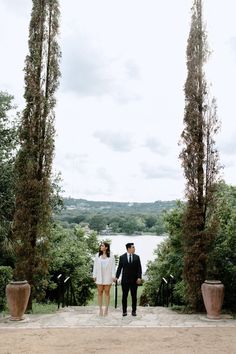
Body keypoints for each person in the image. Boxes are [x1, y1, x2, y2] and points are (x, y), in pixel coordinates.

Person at [115, 242, 142, 317]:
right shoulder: (122, 257)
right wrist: (116, 277)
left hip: (134, 280)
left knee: (134, 297)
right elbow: (119, 268)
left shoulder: (137, 257)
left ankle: (134, 311)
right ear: (129, 248)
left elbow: (139, 268)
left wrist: (139, 277)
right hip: (125, 280)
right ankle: (124, 311)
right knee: (124, 296)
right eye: (133, 247)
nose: (134, 249)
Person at [93, 242, 116, 316]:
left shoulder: (111, 256)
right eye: (101, 245)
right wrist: (94, 275)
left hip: (108, 277)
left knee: (107, 292)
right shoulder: (97, 255)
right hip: (99, 277)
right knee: (99, 293)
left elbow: (113, 267)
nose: (101, 246)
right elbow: (95, 266)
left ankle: (106, 309)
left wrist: (113, 276)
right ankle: (100, 309)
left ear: (106, 247)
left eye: (102, 246)